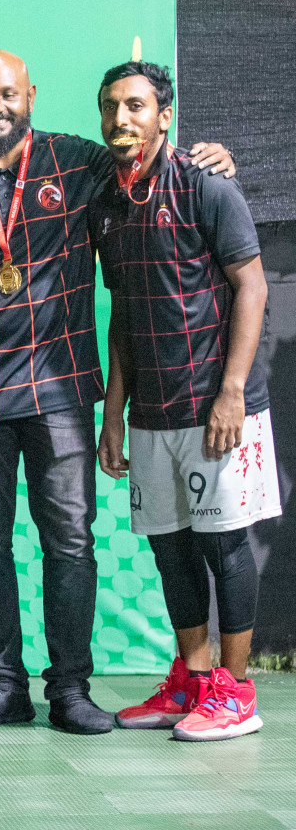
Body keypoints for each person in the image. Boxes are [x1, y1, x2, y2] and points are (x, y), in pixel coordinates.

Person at [0, 50, 235, 735]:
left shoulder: (78, 162)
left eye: (8, 94)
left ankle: (70, 690)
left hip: (59, 387)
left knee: (70, 542)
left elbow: (152, 160)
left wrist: (213, 157)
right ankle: (3, 685)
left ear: (29, 93)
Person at [93, 61, 277, 741]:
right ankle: (193, 681)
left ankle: (236, 691)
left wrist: (231, 391)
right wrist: (113, 413)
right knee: (171, 552)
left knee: (224, 547)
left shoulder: (207, 186)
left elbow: (251, 288)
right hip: (151, 412)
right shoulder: (105, 206)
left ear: (164, 116)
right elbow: (120, 315)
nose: (122, 119)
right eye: (111, 106)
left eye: (136, 106)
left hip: (216, 406)